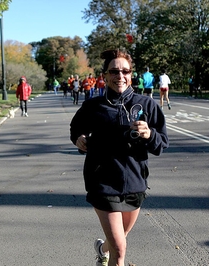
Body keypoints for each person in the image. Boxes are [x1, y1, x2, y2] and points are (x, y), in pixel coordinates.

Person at [70, 49, 169, 266]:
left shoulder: (147, 105)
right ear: (104, 75)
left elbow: (161, 144)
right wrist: (78, 139)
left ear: (131, 74)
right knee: (120, 249)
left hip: (135, 183)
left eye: (125, 71)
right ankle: (109, 254)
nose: (120, 76)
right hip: (102, 183)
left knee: (119, 239)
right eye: (114, 71)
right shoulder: (93, 107)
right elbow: (76, 128)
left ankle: (101, 249)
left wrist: (150, 134)